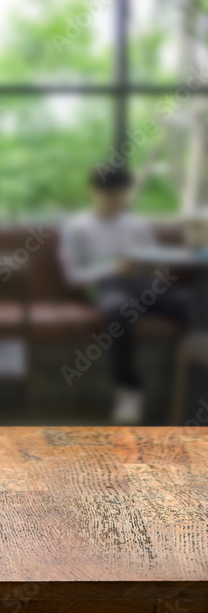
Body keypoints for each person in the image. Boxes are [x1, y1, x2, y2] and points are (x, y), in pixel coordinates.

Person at [59, 165, 190, 425]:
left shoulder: (137, 224)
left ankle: (192, 388)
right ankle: (129, 390)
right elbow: (73, 275)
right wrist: (113, 268)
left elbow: (157, 262)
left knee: (194, 304)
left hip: (145, 285)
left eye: (122, 196)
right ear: (94, 192)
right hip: (108, 287)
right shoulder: (76, 228)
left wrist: (153, 269)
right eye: (111, 196)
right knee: (117, 311)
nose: (117, 202)